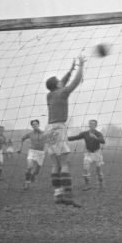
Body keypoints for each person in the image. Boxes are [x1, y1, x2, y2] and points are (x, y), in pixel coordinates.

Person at [44, 54, 86, 207]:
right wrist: (81, 66)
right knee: (65, 162)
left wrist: (70, 69)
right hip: (59, 128)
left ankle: (58, 195)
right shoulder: (63, 93)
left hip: (48, 130)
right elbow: (75, 81)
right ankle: (68, 194)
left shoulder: (49, 95)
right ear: (57, 85)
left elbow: (63, 81)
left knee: (56, 164)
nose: (61, 82)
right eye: (59, 81)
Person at [68, 119, 106, 191]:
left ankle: (101, 185)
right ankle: (87, 185)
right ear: (89, 125)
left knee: (98, 170)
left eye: (93, 124)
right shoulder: (85, 133)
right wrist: (66, 138)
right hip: (88, 154)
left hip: (97, 153)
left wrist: (96, 138)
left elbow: (103, 141)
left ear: (96, 125)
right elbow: (75, 137)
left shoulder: (98, 133)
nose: (92, 125)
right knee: (85, 169)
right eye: (90, 124)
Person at [17, 119, 45, 189]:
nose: (35, 125)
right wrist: (20, 148)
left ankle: (33, 175)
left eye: (36, 124)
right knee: (29, 167)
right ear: (32, 126)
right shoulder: (30, 134)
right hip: (32, 151)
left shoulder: (44, 133)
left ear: (39, 125)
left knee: (37, 171)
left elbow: (50, 140)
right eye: (33, 125)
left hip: (41, 153)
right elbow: (22, 139)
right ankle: (27, 183)